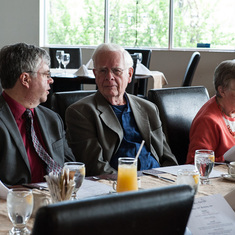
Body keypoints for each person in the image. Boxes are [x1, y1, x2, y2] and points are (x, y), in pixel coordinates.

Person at [66, 43, 178, 176]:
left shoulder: (148, 108)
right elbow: (95, 166)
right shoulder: (81, 112)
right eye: (102, 70)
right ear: (95, 74)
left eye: (116, 70)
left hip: (157, 180)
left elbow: (167, 157)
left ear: (129, 74)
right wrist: (128, 184)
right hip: (117, 185)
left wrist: (171, 180)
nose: (109, 77)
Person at [0, 43, 75, 185]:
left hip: (56, 199)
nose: (51, 80)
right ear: (25, 79)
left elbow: (70, 165)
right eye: (46, 74)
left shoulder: (52, 119)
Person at [186, 60, 235, 164]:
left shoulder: (231, 109)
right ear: (222, 91)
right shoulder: (207, 120)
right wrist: (226, 160)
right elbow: (195, 163)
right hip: (217, 177)